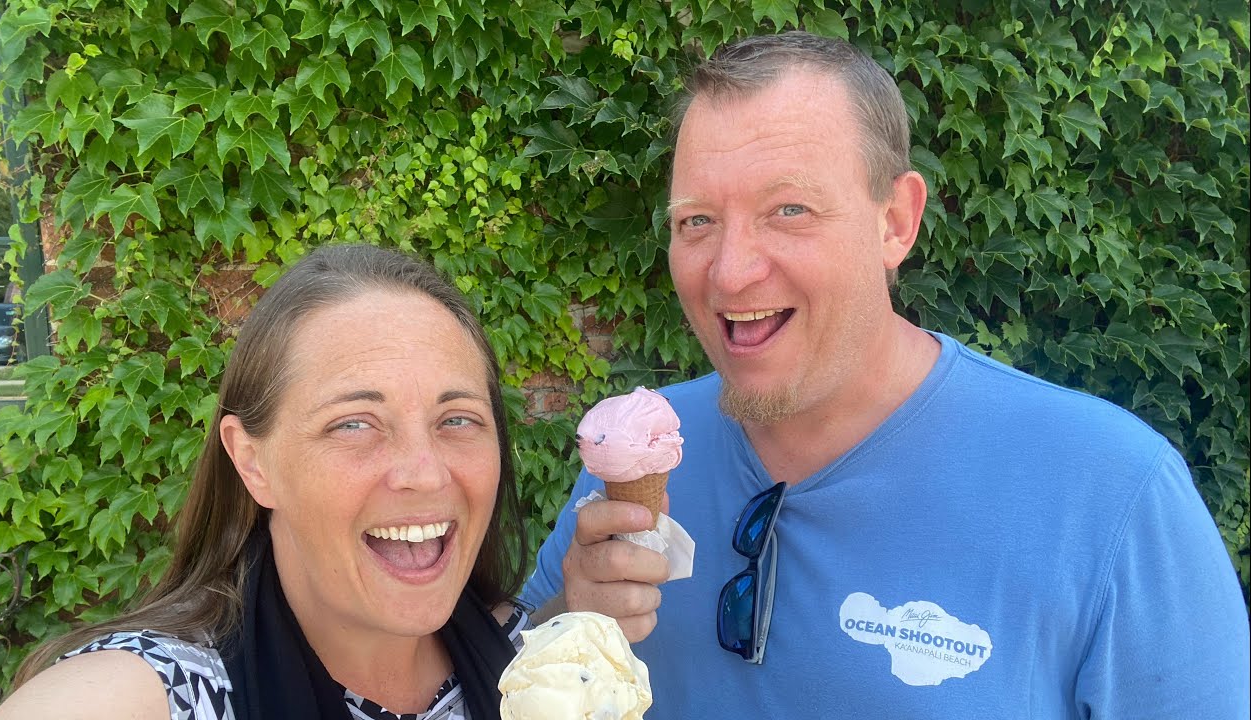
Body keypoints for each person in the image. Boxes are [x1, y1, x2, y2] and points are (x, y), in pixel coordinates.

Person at [520, 31, 1251, 718]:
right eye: (697, 221)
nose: (730, 272)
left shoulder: (1112, 492)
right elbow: (499, 677)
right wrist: (566, 617)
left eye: (789, 210)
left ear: (896, 222)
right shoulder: (637, 457)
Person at [0, 244, 531, 720]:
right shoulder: (163, 693)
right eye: (353, 424)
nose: (426, 473)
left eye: (457, 419)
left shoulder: (540, 661)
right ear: (252, 462)